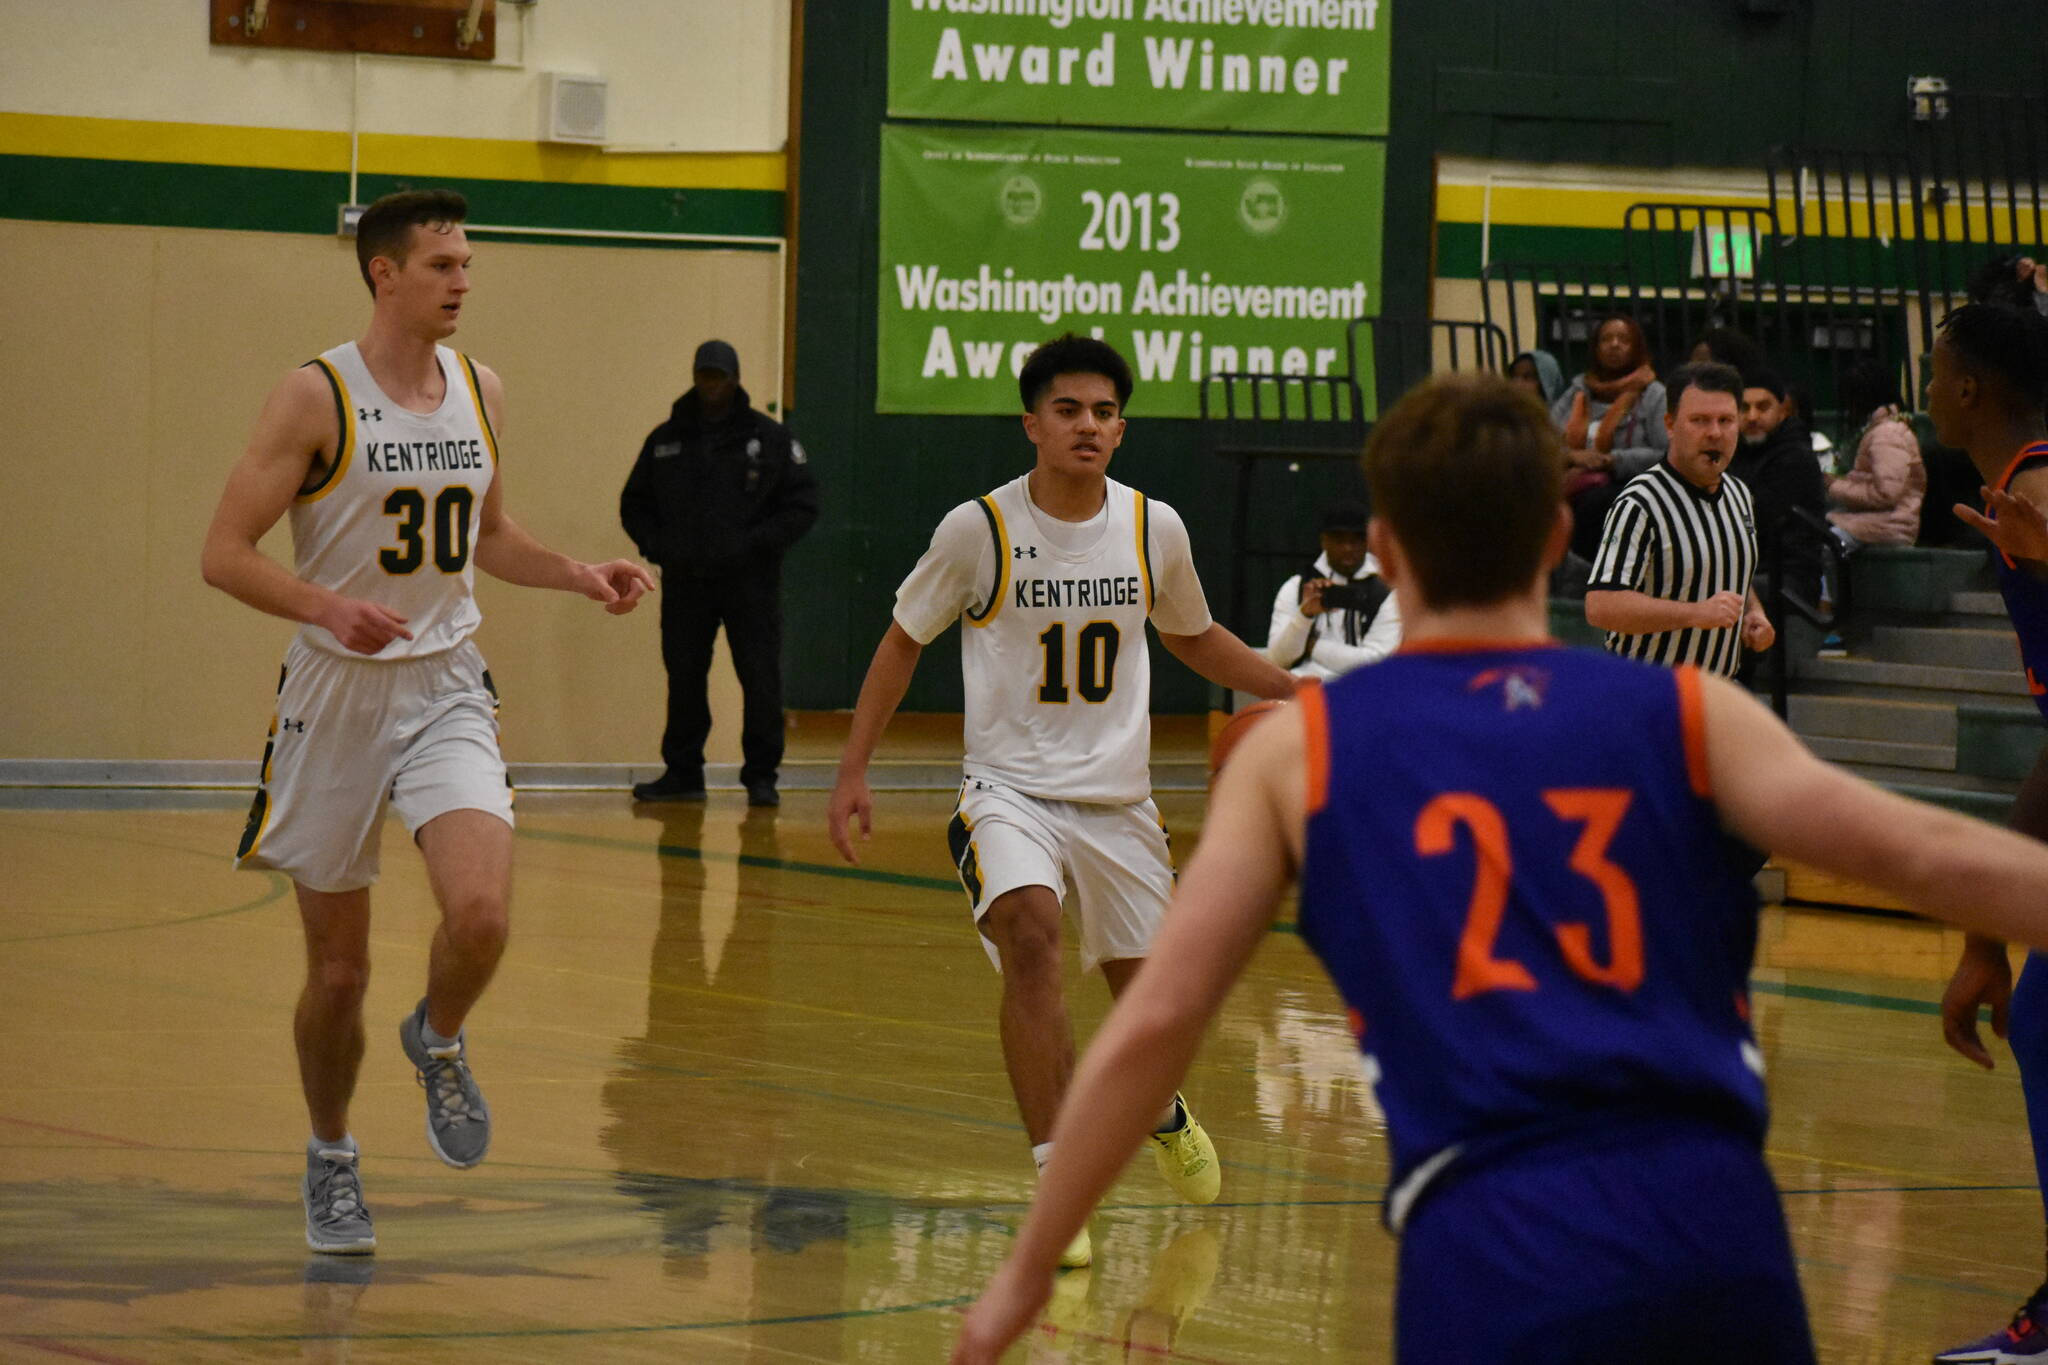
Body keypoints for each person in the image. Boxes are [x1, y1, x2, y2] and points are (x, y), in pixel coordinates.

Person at [948, 372, 2048, 1365]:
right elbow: (1934, 853)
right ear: (1552, 540)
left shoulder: (1303, 753)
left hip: (1495, 1234)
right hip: (1715, 1224)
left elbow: (1156, 1021)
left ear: (1388, 548)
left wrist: (1032, 1262)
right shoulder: (1692, 714)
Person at [198, 189, 655, 1254]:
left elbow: (487, 535)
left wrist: (578, 572)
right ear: (384, 273)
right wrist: (325, 606)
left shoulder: (480, 388)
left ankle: (437, 1036)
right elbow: (222, 553)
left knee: (482, 916)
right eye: (442, 265)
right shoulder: (315, 396)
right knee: (339, 974)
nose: (462, 282)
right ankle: (331, 1156)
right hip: (335, 696)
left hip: (446, 682)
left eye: (467, 264)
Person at [826, 333, 1296, 1269]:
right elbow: (903, 639)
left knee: (1154, 1010)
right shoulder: (978, 530)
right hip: (1009, 792)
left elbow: (1193, 636)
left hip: (1119, 803)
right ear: (1032, 424)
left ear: (1122, 429)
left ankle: (1159, 1107)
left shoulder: (1154, 527)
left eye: (1105, 411)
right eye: (1069, 409)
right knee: (1031, 935)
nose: (1089, 424)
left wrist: (1293, 689)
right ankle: (1059, 1185)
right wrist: (852, 770)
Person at [1927, 301, 2048, 1364]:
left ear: (1966, 387)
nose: (1925, 386)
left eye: (1934, 367)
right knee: (2043, 1022)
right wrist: (1984, 929)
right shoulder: (2019, 494)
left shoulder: (2038, 492)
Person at [622, 340, 818, 807]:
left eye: (719, 376)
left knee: (760, 678)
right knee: (684, 677)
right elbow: (634, 504)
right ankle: (683, 773)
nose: (711, 385)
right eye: (704, 376)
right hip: (685, 582)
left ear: (735, 379)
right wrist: (660, 547)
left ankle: (762, 777)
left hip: (751, 584)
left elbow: (803, 505)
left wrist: (756, 546)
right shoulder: (666, 440)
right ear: (695, 378)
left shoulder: (769, 439)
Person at [1584, 362, 1775, 677]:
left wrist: (1753, 612)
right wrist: (1695, 613)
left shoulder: (1739, 494)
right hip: (1646, 691)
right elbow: (1601, 605)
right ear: (1670, 425)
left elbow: (1725, 569)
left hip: (1714, 691)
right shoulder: (1641, 502)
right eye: (1699, 421)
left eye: (1725, 420)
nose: (1714, 433)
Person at [1552, 316, 1668, 561]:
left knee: (1594, 504)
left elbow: (1665, 452)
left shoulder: (1653, 394)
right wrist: (1572, 456)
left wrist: (1612, 460)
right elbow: (1544, 440)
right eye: (1606, 339)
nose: (1614, 345)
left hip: (1628, 485)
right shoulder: (1578, 391)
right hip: (1572, 479)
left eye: (1624, 339)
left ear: (1637, 347)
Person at [1262, 499, 1402, 681]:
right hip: (1302, 688)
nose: (1348, 548)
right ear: (1324, 541)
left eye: (1356, 540)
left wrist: (1313, 645)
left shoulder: (1388, 593)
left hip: (1361, 690)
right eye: (1339, 539)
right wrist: (1304, 616)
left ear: (1368, 542)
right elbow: (1276, 661)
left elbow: (1377, 664)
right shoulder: (1296, 587)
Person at [1727, 368, 1829, 617]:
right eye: (1744, 408)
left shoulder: (1795, 456)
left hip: (1787, 575)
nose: (1752, 416)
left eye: (1763, 407)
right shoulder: (1737, 451)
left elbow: (1758, 516)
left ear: (1783, 411)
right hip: (1749, 569)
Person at [1825, 360, 1925, 549]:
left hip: (1886, 526)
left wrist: (1834, 486)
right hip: (1871, 522)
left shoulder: (1887, 434)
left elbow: (1886, 494)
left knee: (1821, 549)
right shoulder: (1880, 429)